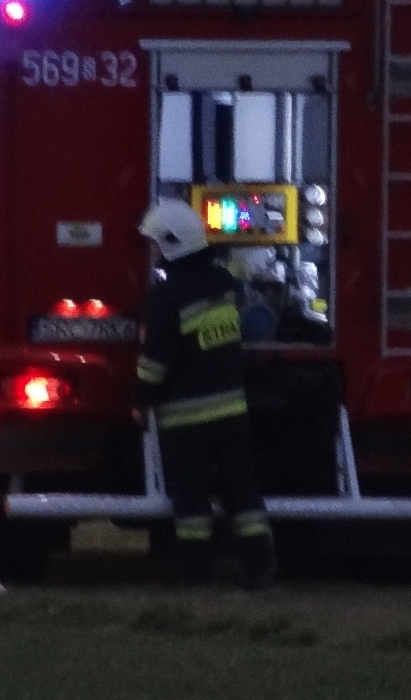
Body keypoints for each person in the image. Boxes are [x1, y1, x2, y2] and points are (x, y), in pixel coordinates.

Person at [135, 198, 277, 591]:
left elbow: (155, 360)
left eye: (153, 244)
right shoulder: (224, 284)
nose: (150, 252)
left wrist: (141, 399)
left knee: (191, 501)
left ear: (170, 244)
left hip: (184, 419)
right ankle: (260, 567)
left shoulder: (167, 297)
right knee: (242, 491)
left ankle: (196, 572)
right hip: (231, 411)